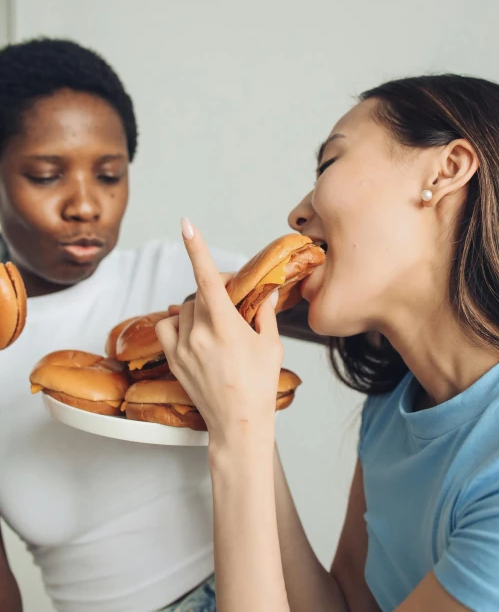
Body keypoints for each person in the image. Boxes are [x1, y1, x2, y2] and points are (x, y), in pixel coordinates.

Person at [158, 74, 499, 612]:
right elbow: (346, 603)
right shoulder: (397, 400)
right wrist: (237, 411)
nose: (297, 215)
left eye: (329, 164)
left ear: (446, 171)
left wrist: (239, 435)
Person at [0, 38, 315, 612]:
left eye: (109, 175)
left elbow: (361, 320)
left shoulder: (172, 276)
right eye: (46, 176)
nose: (86, 205)